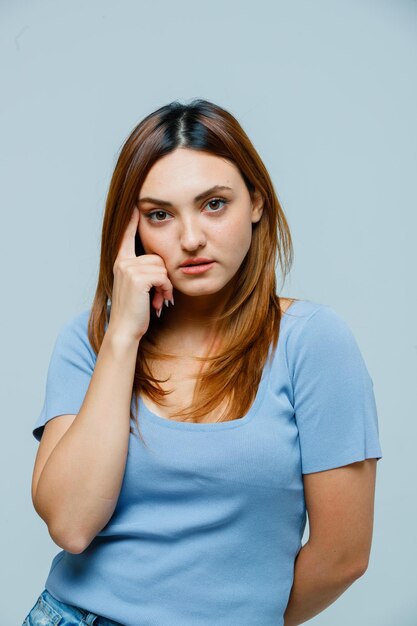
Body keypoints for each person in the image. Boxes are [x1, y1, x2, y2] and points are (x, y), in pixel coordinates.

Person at [23, 99, 383, 626]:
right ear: (133, 229)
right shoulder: (90, 340)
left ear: (256, 202)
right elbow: (72, 525)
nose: (190, 238)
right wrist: (123, 336)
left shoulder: (311, 342)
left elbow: (343, 557)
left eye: (214, 204)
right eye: (160, 215)